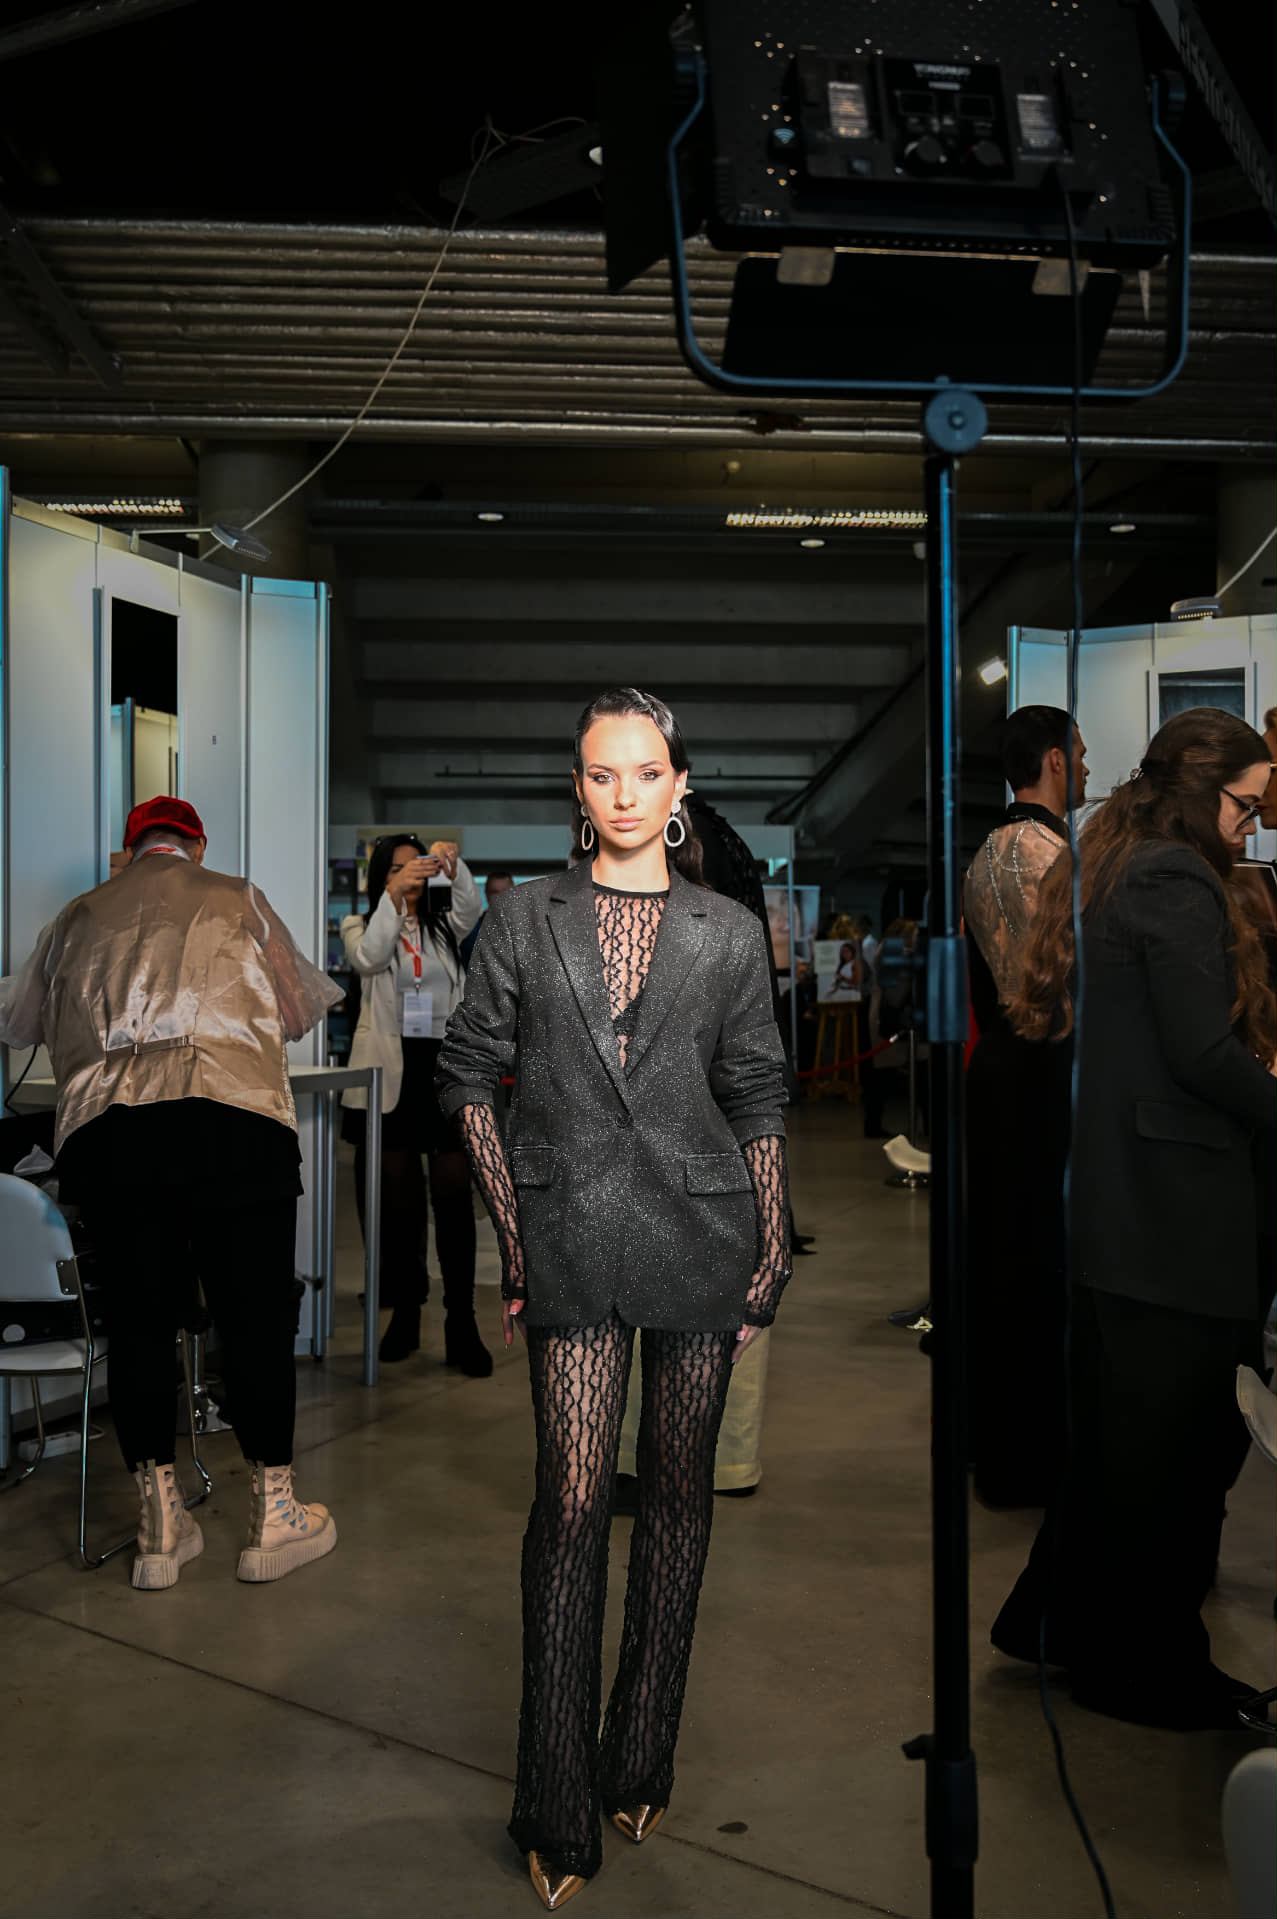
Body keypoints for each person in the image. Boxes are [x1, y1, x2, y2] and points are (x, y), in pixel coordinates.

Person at [436, 686, 789, 1909]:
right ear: (577, 787)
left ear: (678, 785)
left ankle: (638, 1756)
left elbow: (756, 1089)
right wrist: (513, 1228)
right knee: (574, 1502)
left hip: (702, 1232)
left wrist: (769, 1244)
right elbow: (467, 1073)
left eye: (646, 772)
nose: (625, 793)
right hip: (570, 1236)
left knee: (679, 1498)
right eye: (602, 773)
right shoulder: (521, 917)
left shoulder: (725, 931)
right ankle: (553, 1799)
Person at [990, 708, 1277, 1729]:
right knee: (1175, 1465)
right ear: (1200, 788)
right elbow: (1200, 1053)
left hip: (1127, 1213)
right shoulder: (1173, 876)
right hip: (1170, 1215)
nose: (1252, 822)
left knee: (1122, 1451)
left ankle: (1058, 1624)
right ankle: (1142, 1669)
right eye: (1245, 802)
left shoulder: (1121, 862)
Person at [0, 797, 341, 1590]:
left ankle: (159, 1527)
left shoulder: (78, 914)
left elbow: (21, 1024)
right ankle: (273, 1514)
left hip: (112, 1139)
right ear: (197, 845)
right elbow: (297, 1010)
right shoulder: (237, 895)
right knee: (255, 1319)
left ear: (130, 849)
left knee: (139, 1326)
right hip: (235, 1128)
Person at [962, 705, 1086, 1506]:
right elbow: (1059, 990)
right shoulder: (1045, 854)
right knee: (1036, 1265)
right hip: (1039, 1080)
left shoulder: (986, 852)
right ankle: (1029, 1457)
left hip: (1002, 1078)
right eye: (1080, 752)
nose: (1086, 765)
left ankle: (1000, 1448)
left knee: (1001, 1259)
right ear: (1053, 758)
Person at [340, 835, 490, 1371]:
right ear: (380, 877)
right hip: (390, 1075)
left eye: (416, 868)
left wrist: (455, 865)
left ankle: (461, 1321)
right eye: (396, 870)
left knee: (453, 1199)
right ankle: (405, 1313)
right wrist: (393, 902)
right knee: (399, 1209)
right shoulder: (361, 925)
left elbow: (471, 905)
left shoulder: (445, 925)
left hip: (443, 1071)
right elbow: (369, 959)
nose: (409, 876)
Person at [461, 870, 515, 968]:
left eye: (505, 892)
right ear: (486, 894)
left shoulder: (528, 928)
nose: (500, 897)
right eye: (494, 892)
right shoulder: (471, 930)